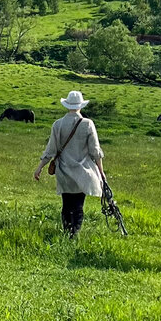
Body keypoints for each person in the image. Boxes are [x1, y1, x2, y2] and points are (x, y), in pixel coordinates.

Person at [33, 90, 105, 237]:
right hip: (82, 171)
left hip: (63, 170)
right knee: (78, 204)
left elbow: (50, 150)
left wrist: (39, 168)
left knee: (66, 204)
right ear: (81, 106)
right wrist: (101, 172)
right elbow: (95, 151)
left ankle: (67, 232)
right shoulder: (88, 124)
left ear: (66, 105)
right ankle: (74, 233)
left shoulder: (57, 124)